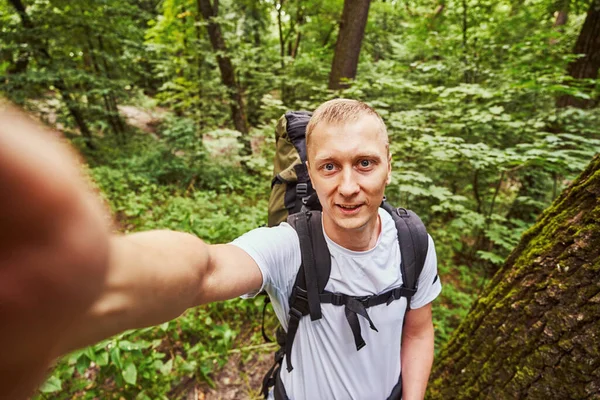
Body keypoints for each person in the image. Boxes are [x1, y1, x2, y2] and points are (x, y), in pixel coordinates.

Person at [0, 99, 441, 400]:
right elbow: (205, 270)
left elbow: (418, 330)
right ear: (310, 171)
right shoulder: (291, 246)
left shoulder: (412, 242)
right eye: (330, 167)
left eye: (364, 163)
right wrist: (84, 281)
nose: (348, 187)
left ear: (388, 164)